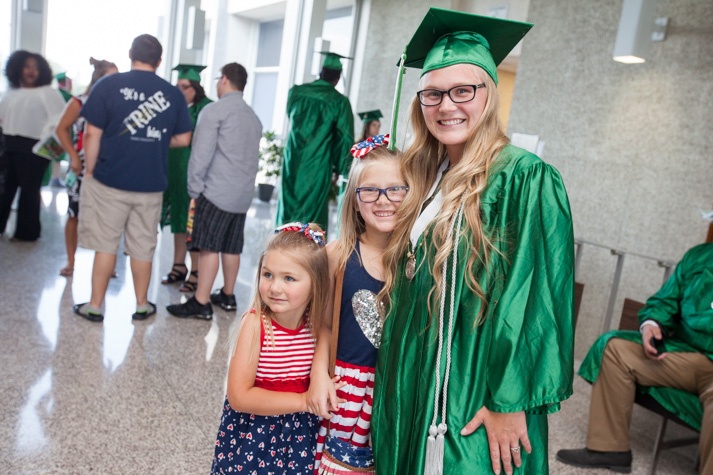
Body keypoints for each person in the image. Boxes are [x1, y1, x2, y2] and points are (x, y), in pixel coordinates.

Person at [371, 8, 575, 475]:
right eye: (433, 94)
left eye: (464, 90)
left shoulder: (524, 176)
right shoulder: (425, 174)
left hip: (473, 382)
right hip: (414, 372)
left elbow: (536, 292)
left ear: (490, 93)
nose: (447, 106)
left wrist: (510, 400)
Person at [557, 243, 713, 474]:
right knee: (616, 349)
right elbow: (665, 301)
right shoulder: (700, 256)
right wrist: (652, 325)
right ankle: (608, 448)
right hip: (686, 354)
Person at [72, 34, 192, 323]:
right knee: (142, 247)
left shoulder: (108, 86)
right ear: (159, 60)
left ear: (130, 55)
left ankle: (96, 306)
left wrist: (89, 171)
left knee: (105, 245)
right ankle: (141, 305)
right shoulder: (172, 93)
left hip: (108, 180)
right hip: (150, 185)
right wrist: (159, 142)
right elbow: (184, 138)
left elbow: (91, 132)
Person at [308, 134, 406, 473]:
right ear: (353, 200)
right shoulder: (337, 255)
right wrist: (319, 375)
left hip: (391, 389)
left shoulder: (415, 261)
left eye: (396, 189)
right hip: (344, 388)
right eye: (370, 191)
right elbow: (322, 324)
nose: (384, 200)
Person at [210, 222, 330, 474]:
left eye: (289, 278)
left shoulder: (317, 328)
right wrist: (303, 401)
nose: (275, 287)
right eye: (268, 275)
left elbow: (327, 336)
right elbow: (239, 397)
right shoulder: (255, 325)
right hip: (253, 439)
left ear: (315, 284)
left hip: (298, 439)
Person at [166, 62, 262, 319]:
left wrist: (194, 189)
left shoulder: (214, 111)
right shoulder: (253, 117)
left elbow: (201, 153)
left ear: (225, 80)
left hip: (215, 192)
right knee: (231, 247)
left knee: (208, 246)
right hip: (241, 196)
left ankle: (201, 301)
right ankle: (228, 296)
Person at [275, 52, 354, 233]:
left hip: (292, 159)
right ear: (337, 78)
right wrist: (341, 169)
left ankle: (280, 245)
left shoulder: (296, 93)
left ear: (320, 72)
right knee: (311, 212)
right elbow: (344, 138)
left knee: (287, 204)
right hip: (317, 162)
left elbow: (291, 117)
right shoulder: (339, 102)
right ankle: (306, 255)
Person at [55, 57, 118, 277]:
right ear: (99, 80)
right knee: (74, 214)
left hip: (109, 168)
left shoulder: (117, 105)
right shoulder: (79, 102)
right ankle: (71, 261)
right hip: (80, 168)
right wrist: (73, 156)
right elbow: (61, 129)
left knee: (110, 218)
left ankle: (107, 263)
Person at [0, 50, 65, 241]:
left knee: (29, 191)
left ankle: (26, 233)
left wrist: (46, 142)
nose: (31, 71)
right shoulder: (10, 93)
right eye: (27, 66)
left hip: (34, 148)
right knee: (5, 189)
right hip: (9, 145)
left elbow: (59, 120)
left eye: (35, 67)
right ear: (18, 68)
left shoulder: (48, 93)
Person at [160, 63, 212, 292]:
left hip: (193, 174)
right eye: (178, 86)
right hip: (173, 172)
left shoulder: (206, 109)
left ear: (196, 86)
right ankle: (178, 266)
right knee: (179, 222)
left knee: (192, 224)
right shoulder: (173, 106)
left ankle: (196, 272)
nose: (180, 90)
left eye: (185, 86)